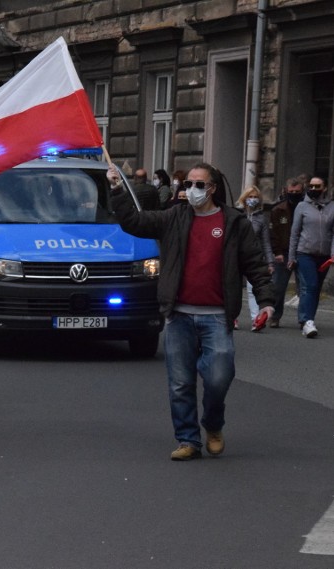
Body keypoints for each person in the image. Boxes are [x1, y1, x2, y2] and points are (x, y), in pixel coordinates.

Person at [109, 162, 275, 460]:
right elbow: (134, 221)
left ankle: (213, 424)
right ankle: (188, 440)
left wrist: (267, 301)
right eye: (188, 184)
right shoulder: (174, 216)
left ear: (212, 188)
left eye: (199, 184)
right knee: (181, 382)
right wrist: (118, 188)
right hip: (180, 315)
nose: (192, 190)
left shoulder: (234, 222)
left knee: (218, 377)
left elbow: (254, 264)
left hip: (216, 315)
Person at [287, 176, 334, 338]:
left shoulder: (332, 207)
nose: (314, 189)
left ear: (325, 188)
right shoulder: (302, 206)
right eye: (312, 186)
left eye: (318, 186)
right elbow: (294, 233)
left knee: (316, 288)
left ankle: (307, 318)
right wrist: (291, 257)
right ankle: (308, 321)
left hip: (324, 255)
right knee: (310, 285)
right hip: (305, 252)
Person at [268, 177, 304, 327]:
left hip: (303, 252)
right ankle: (275, 316)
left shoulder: (307, 208)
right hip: (283, 252)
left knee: (305, 288)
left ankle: (305, 319)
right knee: (278, 287)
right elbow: (273, 233)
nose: (294, 194)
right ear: (286, 191)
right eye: (291, 191)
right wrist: (277, 252)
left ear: (302, 192)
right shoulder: (278, 209)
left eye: (297, 191)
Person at [237, 185, 274, 330]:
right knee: (234, 287)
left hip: (254, 256)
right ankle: (233, 318)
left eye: (255, 197)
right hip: (237, 255)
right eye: (250, 196)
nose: (252, 199)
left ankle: (256, 319)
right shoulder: (236, 215)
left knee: (254, 288)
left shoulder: (261, 218)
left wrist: (270, 262)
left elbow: (266, 242)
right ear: (244, 198)